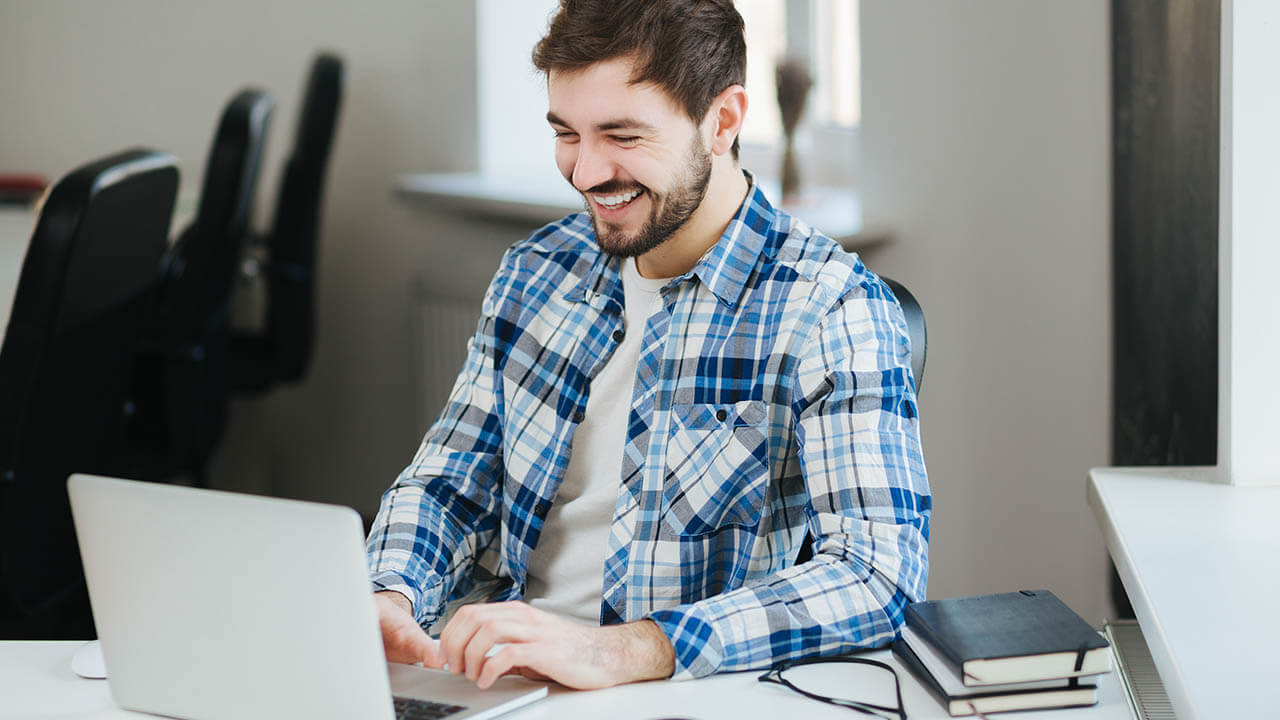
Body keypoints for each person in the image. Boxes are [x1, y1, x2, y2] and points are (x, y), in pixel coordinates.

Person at [366, 0, 930, 691]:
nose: (584, 172)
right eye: (566, 133)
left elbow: (876, 575)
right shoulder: (536, 270)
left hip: (671, 693)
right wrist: (390, 594)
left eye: (621, 136)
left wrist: (620, 651)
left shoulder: (830, 307)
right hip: (495, 681)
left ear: (722, 121)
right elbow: (449, 487)